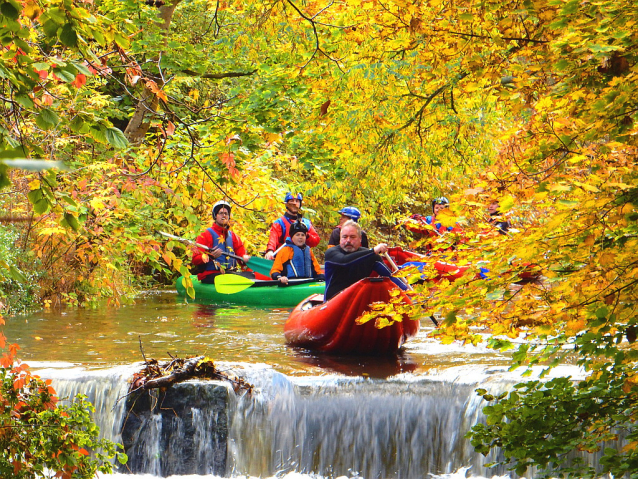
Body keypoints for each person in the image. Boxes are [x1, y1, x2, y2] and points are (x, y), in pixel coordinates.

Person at [324, 220, 408, 301]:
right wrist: (373, 251)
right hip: (333, 301)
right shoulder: (332, 253)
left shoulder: (370, 256)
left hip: (356, 302)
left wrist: (409, 292)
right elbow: (344, 261)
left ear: (360, 239)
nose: (348, 240)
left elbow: (390, 277)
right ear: (340, 238)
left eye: (352, 237)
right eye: (344, 237)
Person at [191, 200, 251, 284]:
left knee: (251, 275)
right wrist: (210, 256)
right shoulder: (205, 234)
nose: (224, 215)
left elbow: (242, 259)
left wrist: (245, 261)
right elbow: (195, 259)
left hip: (230, 274)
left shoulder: (234, 237)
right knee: (230, 277)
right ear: (215, 216)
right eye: (221, 213)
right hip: (210, 274)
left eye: (226, 214)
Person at [264, 192, 321, 260]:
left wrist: (306, 235)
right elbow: (273, 239)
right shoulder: (279, 223)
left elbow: (315, 241)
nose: (294, 203)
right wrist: (270, 251)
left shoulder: (306, 223)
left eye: (297, 201)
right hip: (284, 258)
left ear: (300, 204)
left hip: (302, 258)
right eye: (291, 201)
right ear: (287, 204)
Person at [270, 220, 325, 285]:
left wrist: (322, 277)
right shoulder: (285, 250)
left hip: (308, 283)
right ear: (292, 237)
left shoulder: (308, 251)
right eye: (297, 235)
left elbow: (317, 270)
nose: (300, 237)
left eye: (303, 235)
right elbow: (275, 270)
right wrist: (279, 277)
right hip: (290, 283)